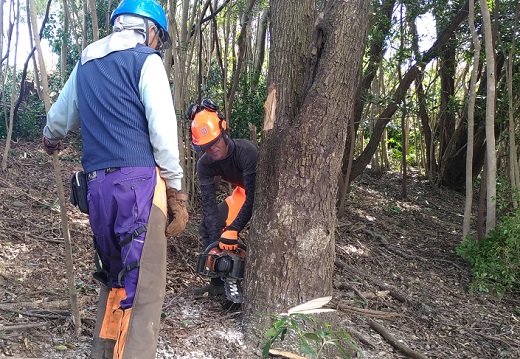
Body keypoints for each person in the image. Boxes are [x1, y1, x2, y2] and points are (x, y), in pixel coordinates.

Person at [41, 0, 188, 358]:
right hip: (138, 186)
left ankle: (104, 352)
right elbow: (163, 134)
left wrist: (50, 137)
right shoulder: (145, 61)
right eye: (157, 36)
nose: (156, 44)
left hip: (97, 191)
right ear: (149, 29)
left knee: (116, 280)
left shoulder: (86, 62)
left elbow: (58, 120)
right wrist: (177, 191)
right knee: (145, 288)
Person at [188, 99, 258, 296]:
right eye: (206, 147)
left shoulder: (247, 153)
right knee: (208, 225)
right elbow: (209, 207)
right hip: (243, 192)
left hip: (264, 195)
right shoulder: (205, 165)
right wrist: (217, 239)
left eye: (214, 143)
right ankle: (218, 282)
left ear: (223, 132)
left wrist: (234, 229)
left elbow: (254, 197)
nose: (212, 149)